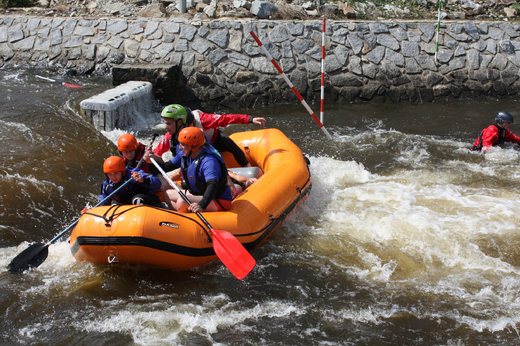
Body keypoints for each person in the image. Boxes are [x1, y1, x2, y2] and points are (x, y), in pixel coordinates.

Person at [149, 104, 266, 167]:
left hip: (213, 141)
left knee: (228, 143)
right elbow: (157, 152)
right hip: (193, 151)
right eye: (166, 123)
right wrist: (150, 158)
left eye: (169, 123)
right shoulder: (170, 136)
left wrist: (250, 119)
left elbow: (225, 119)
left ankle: (246, 165)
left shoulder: (203, 119)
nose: (166, 127)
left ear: (180, 122)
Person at [161, 127, 233, 213]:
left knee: (182, 201)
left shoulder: (209, 161)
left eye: (183, 144)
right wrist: (150, 161)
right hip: (198, 194)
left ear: (193, 146)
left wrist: (201, 205)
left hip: (218, 199)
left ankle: (181, 220)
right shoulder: (185, 153)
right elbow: (166, 166)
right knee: (167, 194)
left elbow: (212, 185)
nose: (180, 147)